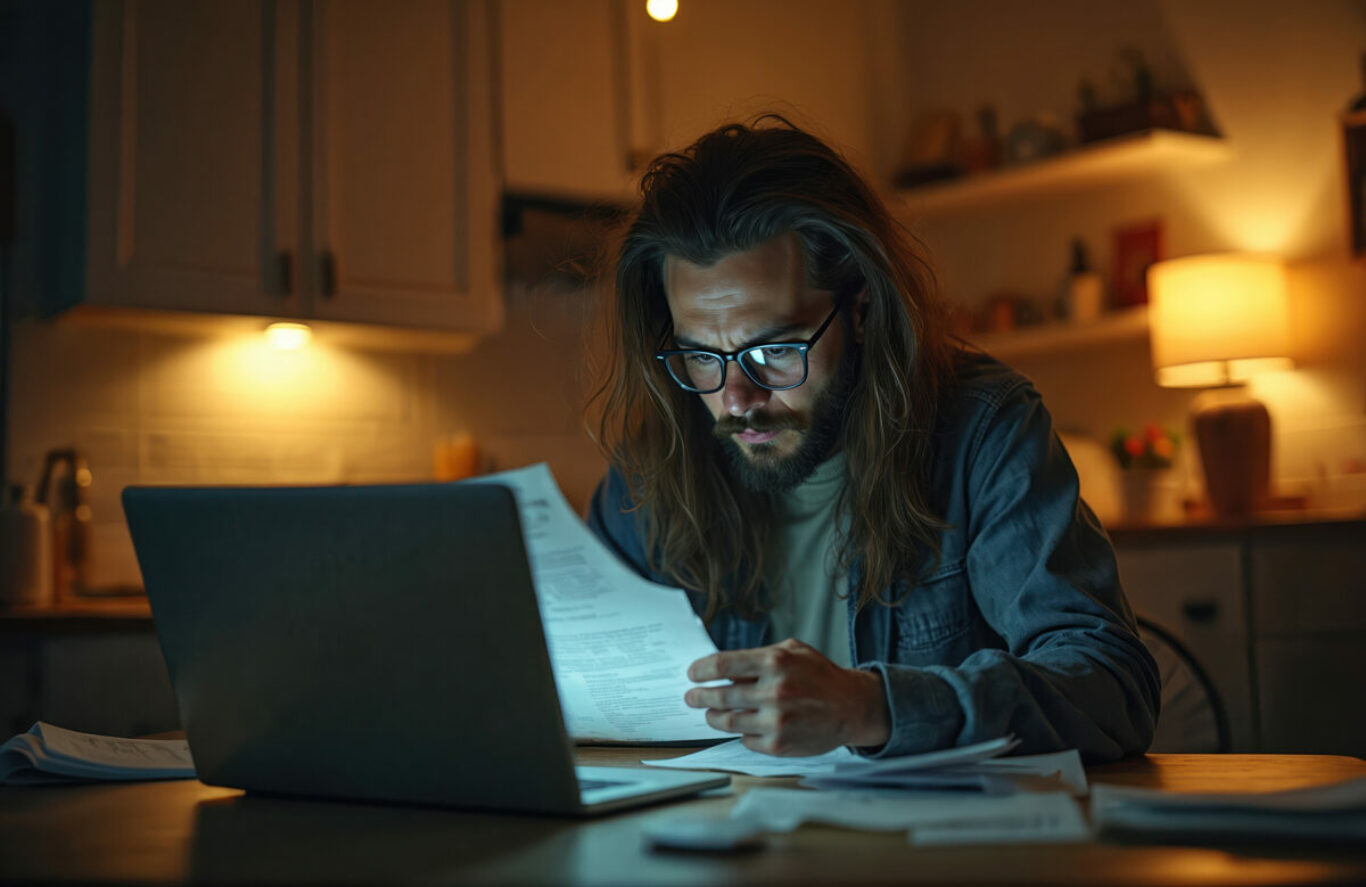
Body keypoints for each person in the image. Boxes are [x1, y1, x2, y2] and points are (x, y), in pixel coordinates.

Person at [584, 117, 1159, 761]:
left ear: (860, 307)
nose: (737, 400)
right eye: (701, 357)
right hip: (724, 848)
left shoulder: (981, 429)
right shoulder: (653, 466)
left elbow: (1112, 689)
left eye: (774, 349)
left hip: (930, 855)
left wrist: (871, 708)